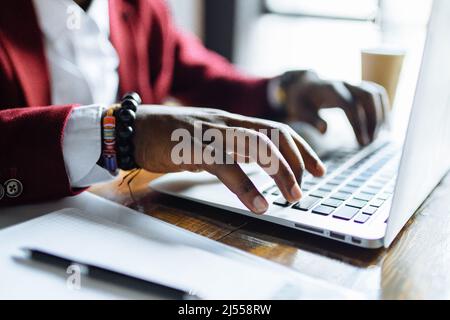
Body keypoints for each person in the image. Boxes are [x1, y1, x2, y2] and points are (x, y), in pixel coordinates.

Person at [0, 0, 389, 214]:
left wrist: (285, 90)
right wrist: (121, 135)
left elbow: (204, 77)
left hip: (118, 221)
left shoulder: (140, 9)